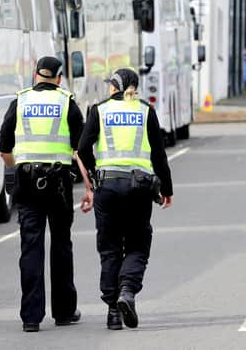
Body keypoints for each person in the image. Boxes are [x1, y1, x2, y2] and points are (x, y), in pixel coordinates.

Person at [76, 68, 173, 330]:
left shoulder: (99, 110)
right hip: (139, 188)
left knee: (109, 248)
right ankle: (127, 292)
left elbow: (83, 148)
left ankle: (112, 313)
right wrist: (167, 188)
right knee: (137, 244)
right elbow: (159, 154)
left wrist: (95, 175)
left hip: (106, 187)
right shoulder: (145, 111)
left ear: (115, 87)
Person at [0, 56, 84, 333]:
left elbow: (4, 147)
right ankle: (64, 312)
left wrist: (21, 168)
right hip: (59, 182)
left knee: (30, 248)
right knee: (61, 245)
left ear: (35, 75)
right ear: (59, 78)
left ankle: (31, 318)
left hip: (27, 182)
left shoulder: (20, 101)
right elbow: (82, 147)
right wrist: (88, 184)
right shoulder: (66, 102)